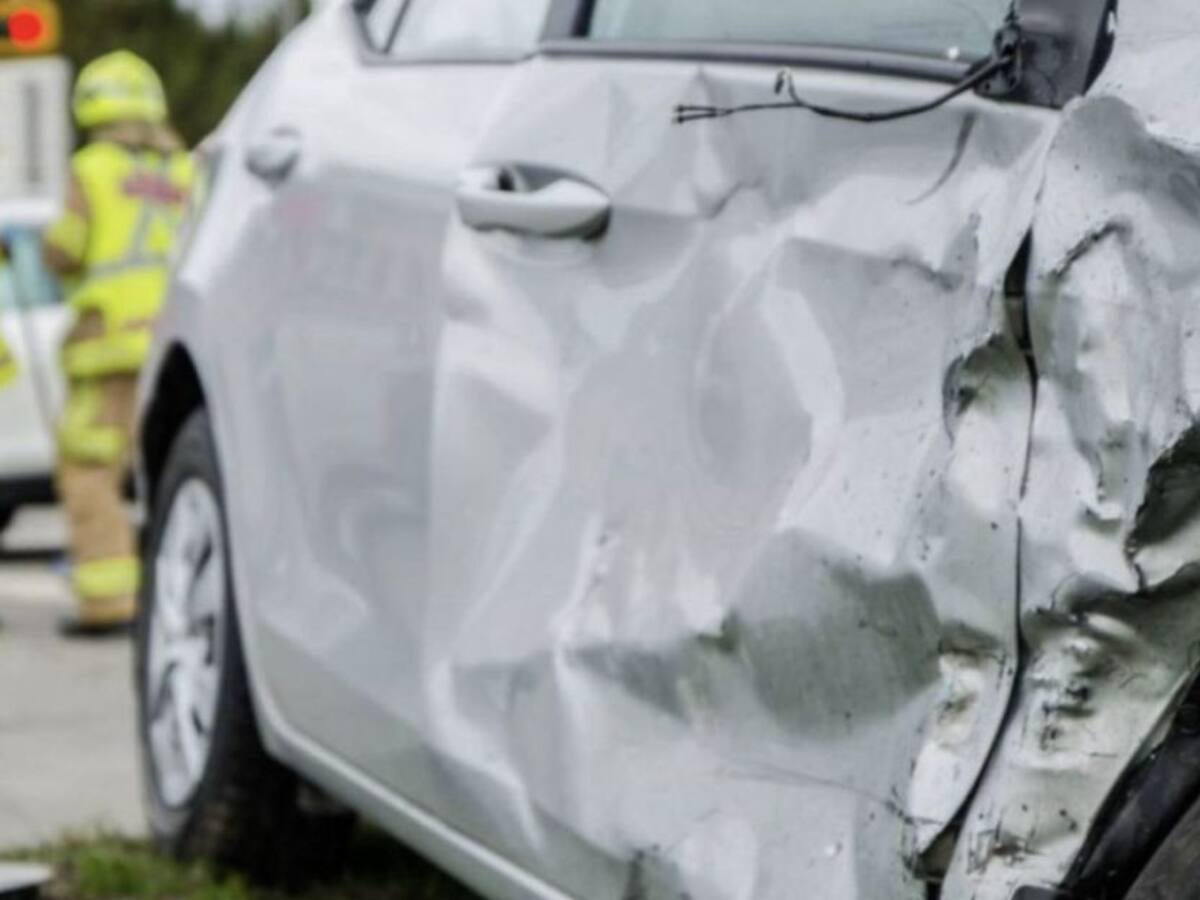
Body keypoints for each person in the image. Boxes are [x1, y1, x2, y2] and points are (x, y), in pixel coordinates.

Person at [43, 50, 193, 635]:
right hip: (173, 342)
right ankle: (166, 598)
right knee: (162, 473)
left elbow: (67, 247)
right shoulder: (183, 170)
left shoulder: (94, 167)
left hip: (109, 344)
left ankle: (108, 601)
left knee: (87, 470)